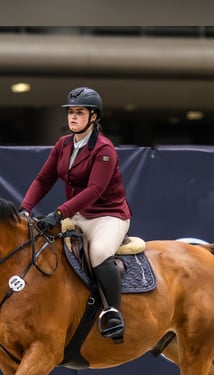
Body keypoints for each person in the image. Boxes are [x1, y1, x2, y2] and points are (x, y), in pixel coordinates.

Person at [19, 86, 132, 342]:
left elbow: (94, 190)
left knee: (99, 253)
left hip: (108, 216)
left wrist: (59, 213)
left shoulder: (104, 149)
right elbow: (42, 179)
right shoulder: (63, 144)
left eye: (79, 113)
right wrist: (25, 208)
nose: (72, 117)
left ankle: (112, 312)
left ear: (93, 117)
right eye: (70, 112)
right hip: (78, 215)